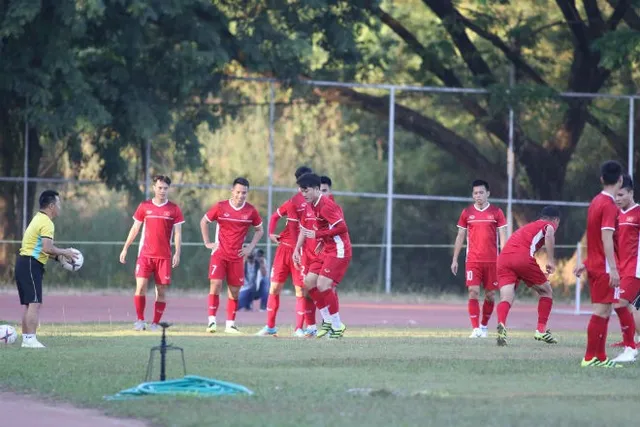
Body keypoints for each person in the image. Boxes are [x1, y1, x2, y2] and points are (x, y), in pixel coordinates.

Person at [574, 160, 625, 368]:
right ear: (620, 180)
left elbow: (593, 238)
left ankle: (600, 357)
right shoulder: (610, 205)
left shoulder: (595, 201)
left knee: (604, 312)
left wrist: (586, 263)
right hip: (604, 267)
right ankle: (589, 358)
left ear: (602, 179)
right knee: (601, 312)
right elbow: (605, 238)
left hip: (595, 264)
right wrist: (613, 268)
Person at [120, 175, 184, 331]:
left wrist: (177, 252)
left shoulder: (174, 209)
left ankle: (155, 323)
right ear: (154, 188)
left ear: (169, 189)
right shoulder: (144, 206)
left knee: (161, 291)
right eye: (159, 187)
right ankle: (140, 320)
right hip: (145, 255)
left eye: (165, 188)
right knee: (140, 287)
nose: (162, 191)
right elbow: (135, 228)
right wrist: (125, 248)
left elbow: (177, 233)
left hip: (164, 257)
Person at [200, 177, 263, 334]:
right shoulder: (221, 207)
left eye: (244, 193)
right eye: (238, 192)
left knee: (234, 291)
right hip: (219, 254)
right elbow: (204, 221)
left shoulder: (250, 211)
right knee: (215, 285)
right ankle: (212, 322)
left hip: (237, 257)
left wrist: (250, 247)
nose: (240, 195)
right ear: (232, 191)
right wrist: (207, 242)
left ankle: (230, 325)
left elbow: (259, 230)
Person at [15, 190, 78, 348]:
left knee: (30, 304)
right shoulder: (47, 222)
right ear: (51, 206)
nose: (60, 207)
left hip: (24, 263)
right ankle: (30, 339)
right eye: (58, 203)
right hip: (30, 264)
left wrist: (58, 258)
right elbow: (47, 248)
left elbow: (41, 249)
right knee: (34, 303)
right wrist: (65, 252)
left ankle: (26, 339)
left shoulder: (38, 218)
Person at [256, 166, 313, 337]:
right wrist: (271, 234)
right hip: (284, 251)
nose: (303, 187)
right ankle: (270, 327)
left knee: (300, 291)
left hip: (301, 252)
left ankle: (298, 329)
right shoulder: (292, 202)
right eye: (300, 183)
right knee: (274, 288)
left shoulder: (314, 204)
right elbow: (274, 217)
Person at [294, 173, 350, 339]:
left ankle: (338, 325)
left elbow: (342, 228)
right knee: (309, 282)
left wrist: (317, 234)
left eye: (306, 190)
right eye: (301, 191)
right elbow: (323, 228)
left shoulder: (326, 205)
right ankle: (327, 320)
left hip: (339, 250)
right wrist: (320, 241)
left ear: (316, 189)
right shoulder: (312, 204)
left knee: (324, 285)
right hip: (327, 248)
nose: (303, 194)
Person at [494, 206, 560, 346]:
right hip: (521, 258)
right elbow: (549, 234)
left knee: (506, 297)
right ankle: (541, 330)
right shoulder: (548, 225)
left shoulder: (529, 226)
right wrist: (550, 260)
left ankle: (501, 325)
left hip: (503, 259)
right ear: (556, 220)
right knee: (546, 291)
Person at [451, 180, 507, 338]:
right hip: (473, 261)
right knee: (473, 292)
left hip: (492, 261)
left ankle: (483, 326)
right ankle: (475, 329)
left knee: (490, 295)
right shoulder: (467, 213)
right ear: (472, 195)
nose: (478, 196)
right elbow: (460, 235)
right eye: (475, 193)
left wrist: (504, 257)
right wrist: (455, 259)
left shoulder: (496, 212)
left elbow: (503, 235)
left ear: (488, 193)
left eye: (481, 192)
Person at [599, 174, 639, 361]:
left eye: (622, 195)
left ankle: (630, 349)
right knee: (625, 307)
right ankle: (631, 343)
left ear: (631, 193)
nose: (618, 198)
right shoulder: (615, 216)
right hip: (621, 270)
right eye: (616, 195)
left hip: (636, 269)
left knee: (620, 304)